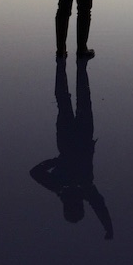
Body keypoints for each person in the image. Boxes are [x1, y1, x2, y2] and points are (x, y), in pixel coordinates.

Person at [30, 58, 114, 240]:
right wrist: (108, 228)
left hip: (70, 142)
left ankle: (65, 64)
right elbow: (100, 208)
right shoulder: (80, 188)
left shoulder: (62, 186)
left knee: (70, 100)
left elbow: (34, 172)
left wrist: (57, 161)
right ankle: (73, 64)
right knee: (76, 100)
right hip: (78, 140)